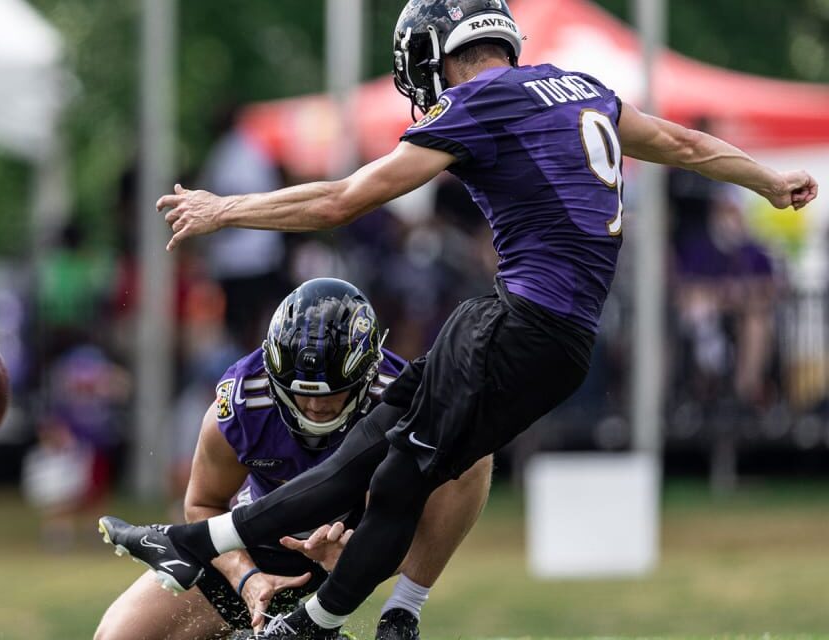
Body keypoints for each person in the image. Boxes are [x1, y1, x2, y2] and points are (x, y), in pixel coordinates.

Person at [98, 1, 818, 638]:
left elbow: (341, 201)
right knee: (389, 461)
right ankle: (324, 597)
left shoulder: (479, 102)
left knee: (387, 469)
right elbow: (688, 147)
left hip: (513, 322)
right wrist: (769, 179)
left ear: (434, 49)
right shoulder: (582, 88)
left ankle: (262, 591)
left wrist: (226, 209)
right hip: (559, 340)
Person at [96, 278, 491, 640]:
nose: (316, 405)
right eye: (302, 392)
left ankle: (401, 613)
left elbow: (405, 526)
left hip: (364, 529)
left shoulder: (401, 398)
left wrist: (357, 563)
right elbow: (201, 503)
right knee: (117, 636)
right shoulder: (241, 404)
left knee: (471, 449)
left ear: (367, 374)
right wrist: (245, 575)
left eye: (331, 392)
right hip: (266, 535)